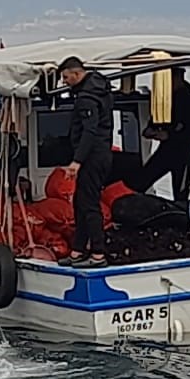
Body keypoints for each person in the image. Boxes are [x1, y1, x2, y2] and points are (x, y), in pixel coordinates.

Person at [57, 56, 113, 265]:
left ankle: (98, 253)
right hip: (101, 153)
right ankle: (77, 250)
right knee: (81, 203)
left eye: (65, 77)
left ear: (76, 73)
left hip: (93, 156)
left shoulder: (87, 98)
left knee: (89, 204)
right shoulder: (101, 89)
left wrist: (77, 161)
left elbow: (90, 130)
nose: (64, 82)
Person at [134, 71, 190, 203]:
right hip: (166, 150)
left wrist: (169, 135)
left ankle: (182, 218)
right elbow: (155, 122)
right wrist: (151, 129)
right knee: (142, 180)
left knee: (181, 193)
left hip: (183, 152)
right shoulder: (165, 101)